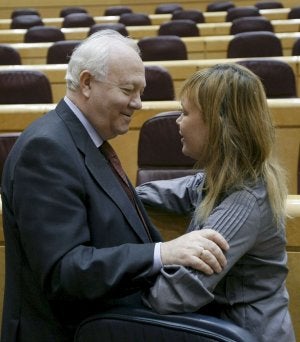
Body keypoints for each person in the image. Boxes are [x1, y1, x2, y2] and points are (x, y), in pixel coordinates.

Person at [0, 30, 229, 342]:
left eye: (140, 91)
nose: (137, 103)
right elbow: (64, 272)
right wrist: (163, 253)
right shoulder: (46, 149)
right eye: (127, 90)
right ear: (86, 83)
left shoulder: (84, 140)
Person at [136, 63, 296, 342]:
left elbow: (171, 295)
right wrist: (114, 192)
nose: (177, 121)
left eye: (185, 113)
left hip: (248, 335)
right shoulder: (221, 179)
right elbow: (173, 191)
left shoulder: (245, 199)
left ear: (218, 123)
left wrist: (114, 283)